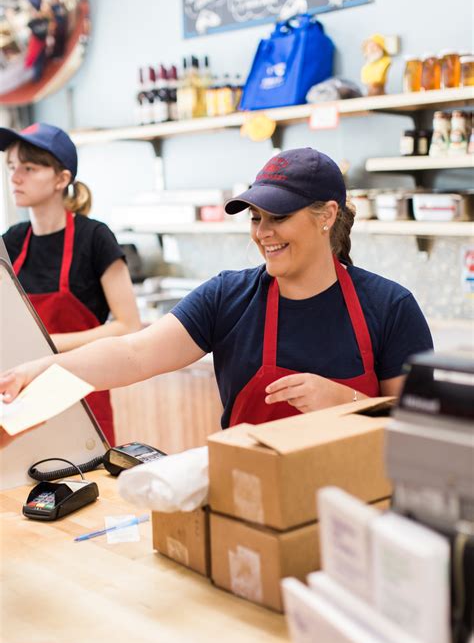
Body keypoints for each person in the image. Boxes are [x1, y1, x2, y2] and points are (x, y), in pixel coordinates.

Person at [0, 147, 433, 430]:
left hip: (358, 506)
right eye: (255, 217)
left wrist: (352, 403)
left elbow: (424, 428)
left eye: (278, 217)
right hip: (251, 493)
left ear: (327, 215)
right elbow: (133, 353)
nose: (263, 232)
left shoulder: (390, 307)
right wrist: (40, 369)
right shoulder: (228, 297)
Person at [0, 122, 141, 444]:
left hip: (79, 387)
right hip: (20, 394)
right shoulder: (12, 241)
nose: (15, 177)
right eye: (11, 167)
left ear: (62, 179)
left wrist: (46, 345)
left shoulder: (95, 238)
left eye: (29, 168)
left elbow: (128, 326)